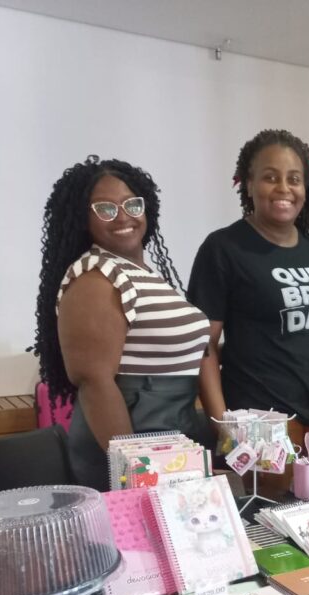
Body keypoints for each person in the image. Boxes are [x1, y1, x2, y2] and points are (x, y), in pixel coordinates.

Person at [31, 156, 214, 490]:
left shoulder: (141, 274)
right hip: (126, 450)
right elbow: (95, 381)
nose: (123, 217)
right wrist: (137, 473)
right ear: (82, 219)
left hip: (168, 442)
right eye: (106, 209)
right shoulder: (96, 276)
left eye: (132, 204)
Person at [188, 129, 309, 481]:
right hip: (264, 423)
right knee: (273, 525)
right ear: (248, 185)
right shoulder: (223, 248)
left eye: (294, 179)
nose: (283, 188)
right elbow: (204, 346)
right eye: (270, 177)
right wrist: (223, 424)